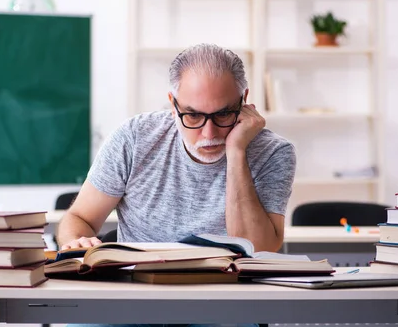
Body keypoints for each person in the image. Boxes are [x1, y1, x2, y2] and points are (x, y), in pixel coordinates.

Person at [57, 43, 296, 327]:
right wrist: (78, 241)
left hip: (226, 303)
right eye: (193, 115)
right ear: (173, 104)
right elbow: (79, 217)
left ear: (244, 101)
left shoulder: (273, 152)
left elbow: (258, 247)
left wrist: (236, 152)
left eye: (223, 115)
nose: (209, 134)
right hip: (134, 300)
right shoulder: (135, 138)